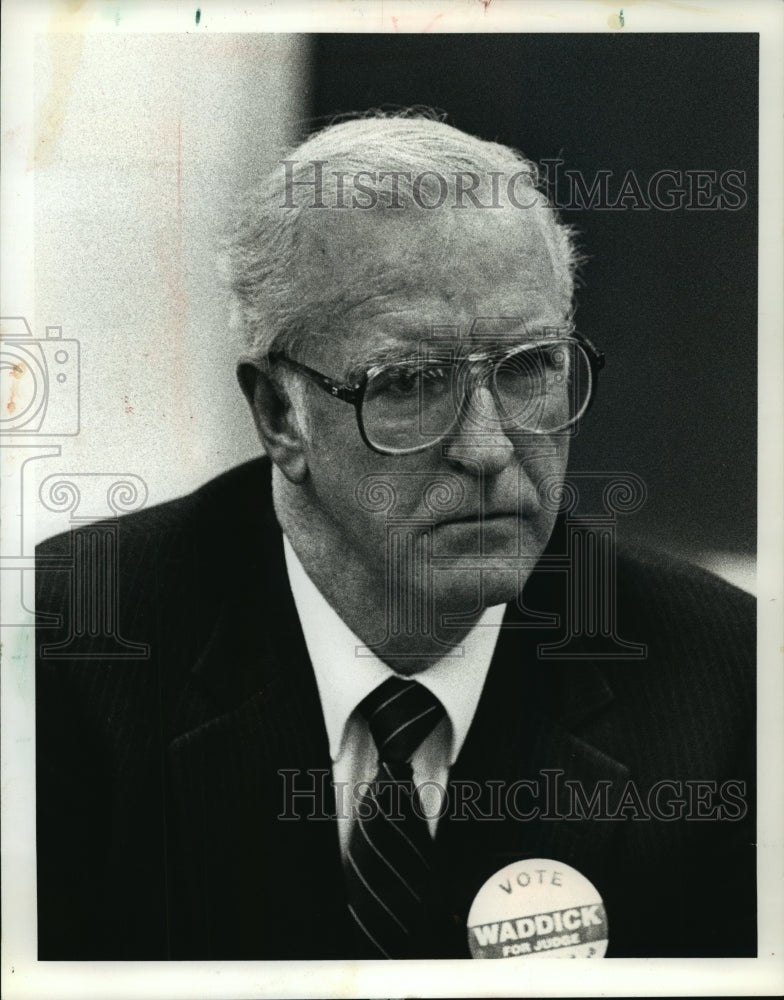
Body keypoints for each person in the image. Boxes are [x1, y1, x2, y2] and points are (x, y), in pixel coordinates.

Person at [36, 112, 755, 961]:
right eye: (411, 383)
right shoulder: (64, 653)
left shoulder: (726, 685)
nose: (488, 449)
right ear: (279, 415)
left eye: (530, 368)